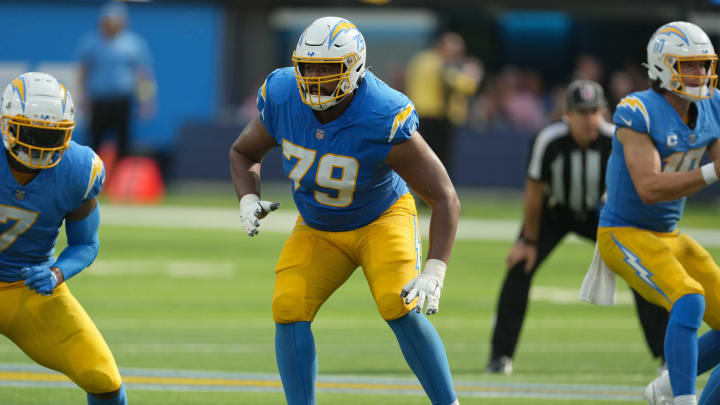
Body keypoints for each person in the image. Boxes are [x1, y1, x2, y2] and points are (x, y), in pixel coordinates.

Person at [229, 16, 461, 405]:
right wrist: (247, 197)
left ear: (354, 68)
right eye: (308, 67)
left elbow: (444, 196)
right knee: (288, 306)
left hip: (380, 219)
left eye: (328, 68)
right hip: (318, 226)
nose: (315, 77)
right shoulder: (283, 94)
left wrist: (435, 270)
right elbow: (243, 151)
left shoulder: (382, 112)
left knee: (397, 303)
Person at [485, 79, 669, 375]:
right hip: (555, 213)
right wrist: (529, 240)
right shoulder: (549, 140)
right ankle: (500, 355)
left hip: (604, 214)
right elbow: (534, 193)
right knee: (519, 267)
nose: (588, 120)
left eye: (594, 111)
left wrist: (639, 232)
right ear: (567, 115)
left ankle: (666, 357)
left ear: (604, 113)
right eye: (581, 112)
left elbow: (641, 185)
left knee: (641, 270)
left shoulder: (618, 139)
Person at [590, 21, 720, 405]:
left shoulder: (712, 105)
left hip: (669, 235)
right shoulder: (638, 110)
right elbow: (649, 188)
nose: (700, 73)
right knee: (689, 298)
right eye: (690, 65)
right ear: (663, 66)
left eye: (703, 65)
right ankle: (682, 398)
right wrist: (712, 172)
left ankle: (668, 385)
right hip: (623, 233)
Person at [0, 72, 125, 404]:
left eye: (50, 136)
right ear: (7, 124)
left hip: (27, 289)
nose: (39, 144)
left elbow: (85, 243)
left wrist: (56, 273)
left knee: (102, 377)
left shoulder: (79, 168)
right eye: (30, 132)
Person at [76, 1, 156, 161]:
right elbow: (84, 72)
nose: (111, 24)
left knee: (124, 144)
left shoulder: (133, 44)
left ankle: (121, 183)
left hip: (122, 100)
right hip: (100, 100)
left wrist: (147, 100)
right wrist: (83, 97)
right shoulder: (92, 42)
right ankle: (91, 177)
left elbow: (143, 75)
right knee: (94, 141)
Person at [405, 32, 482, 176]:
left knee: (421, 159)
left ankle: (422, 194)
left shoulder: (419, 60)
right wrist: (472, 76)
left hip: (415, 113)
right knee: (438, 162)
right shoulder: (441, 64)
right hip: (436, 117)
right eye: (455, 52)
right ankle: (435, 195)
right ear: (443, 47)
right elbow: (462, 85)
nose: (456, 56)